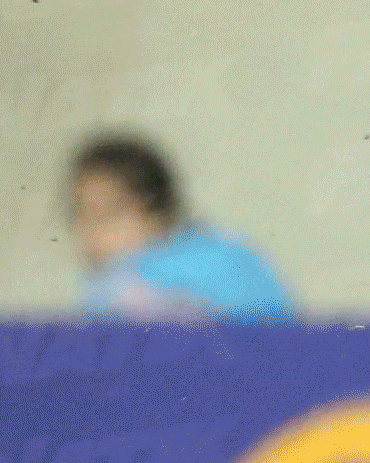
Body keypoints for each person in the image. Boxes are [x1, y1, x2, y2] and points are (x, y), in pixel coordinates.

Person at [62, 132, 291, 321]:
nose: (90, 232)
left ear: (158, 212)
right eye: (79, 216)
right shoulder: (103, 287)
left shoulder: (218, 261)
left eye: (105, 216)